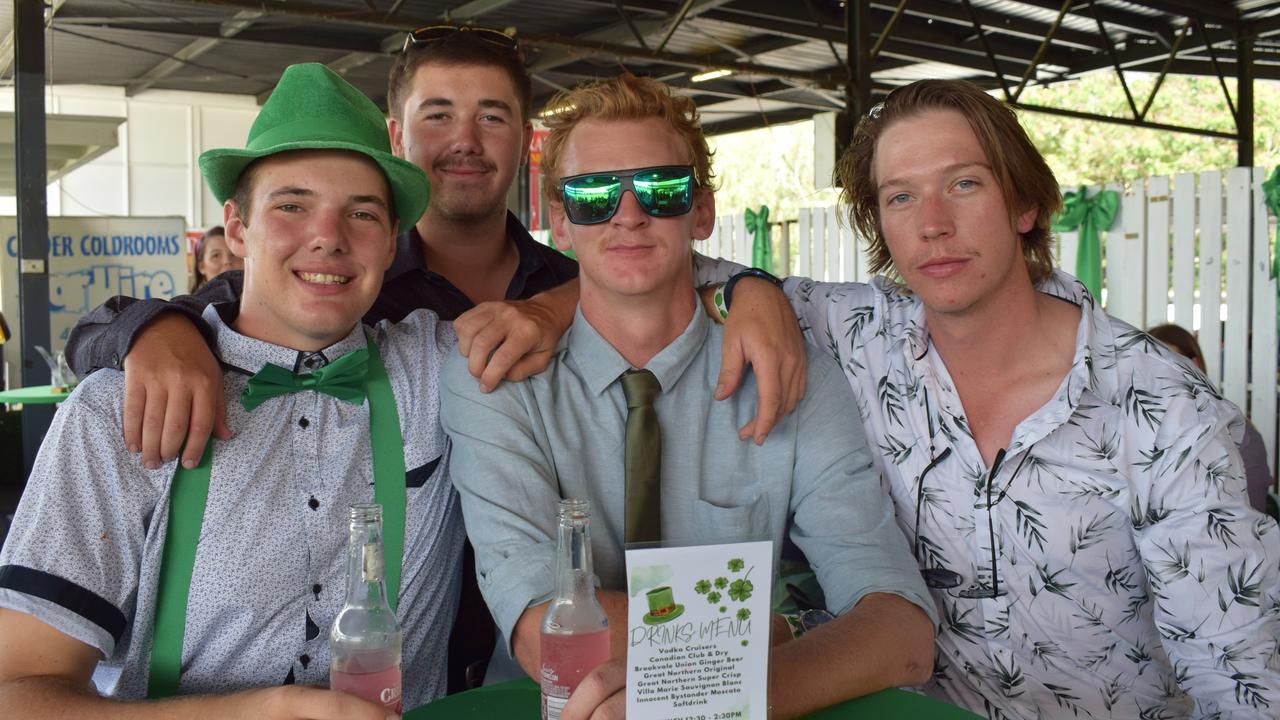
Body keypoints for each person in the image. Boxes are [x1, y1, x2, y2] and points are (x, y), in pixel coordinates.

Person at [60, 27, 805, 693]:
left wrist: (746, 286)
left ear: (523, 143)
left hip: (511, 669)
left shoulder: (559, 282)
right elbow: (154, 324)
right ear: (398, 134)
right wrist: (153, 334)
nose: (466, 139)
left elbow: (652, 271)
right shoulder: (323, 293)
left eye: (493, 116)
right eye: (438, 114)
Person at [694, 79, 1280, 718]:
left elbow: (1238, 678)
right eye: (901, 196)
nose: (932, 225)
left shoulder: (1161, 407)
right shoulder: (863, 336)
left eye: (964, 184)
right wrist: (750, 293)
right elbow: (663, 270)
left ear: (1024, 206)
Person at [440, 74, 936, 720]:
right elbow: (551, 634)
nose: (628, 213)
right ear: (558, 221)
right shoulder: (494, 381)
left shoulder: (789, 371)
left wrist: (717, 695)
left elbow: (902, 631)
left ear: (700, 210)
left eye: (661, 189)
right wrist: (792, 626)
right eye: (592, 195)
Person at [0, 63, 464, 714]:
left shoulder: (436, 369)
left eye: (361, 214)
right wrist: (250, 712)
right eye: (292, 206)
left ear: (391, 244)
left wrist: (548, 309)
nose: (328, 237)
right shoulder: (112, 412)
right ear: (238, 229)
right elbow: (18, 693)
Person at [1147, 322, 1275, 514]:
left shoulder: (1241, 437)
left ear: (1194, 365)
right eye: (1146, 365)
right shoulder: (1138, 429)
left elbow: (1249, 517)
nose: (1155, 375)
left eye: (1165, 363)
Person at [190, 225, 242, 291]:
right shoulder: (188, 301)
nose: (227, 261)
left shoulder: (257, 298)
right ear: (201, 266)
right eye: (216, 255)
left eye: (233, 254)